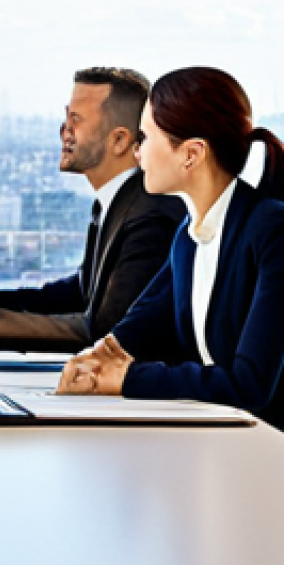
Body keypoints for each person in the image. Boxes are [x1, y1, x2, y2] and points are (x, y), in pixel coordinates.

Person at [0, 67, 185, 350]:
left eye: (76, 120)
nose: (64, 131)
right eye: (65, 118)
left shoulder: (150, 216)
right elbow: (79, 294)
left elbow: (104, 335)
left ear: (119, 140)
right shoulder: (118, 202)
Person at [57, 67, 284, 428]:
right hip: (225, 442)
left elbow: (249, 385)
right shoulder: (187, 238)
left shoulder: (272, 231)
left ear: (191, 154)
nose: (136, 153)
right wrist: (95, 361)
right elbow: (136, 328)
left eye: (145, 138)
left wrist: (128, 378)